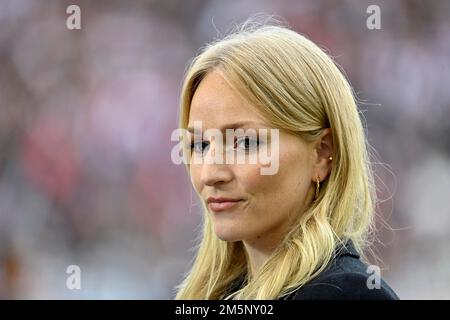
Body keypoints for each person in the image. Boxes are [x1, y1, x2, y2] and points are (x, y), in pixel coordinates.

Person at [174, 20, 399, 300]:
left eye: (245, 142)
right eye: (200, 145)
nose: (210, 174)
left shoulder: (347, 293)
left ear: (321, 153)